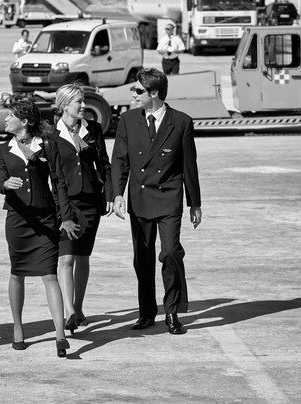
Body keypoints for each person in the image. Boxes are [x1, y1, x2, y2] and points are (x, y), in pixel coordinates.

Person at [111, 68, 202, 335]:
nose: (133, 95)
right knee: (143, 258)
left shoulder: (181, 122)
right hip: (139, 198)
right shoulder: (128, 120)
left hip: (168, 197)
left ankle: (172, 312)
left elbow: (189, 166)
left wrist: (194, 203)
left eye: (138, 91)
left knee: (171, 252)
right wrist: (117, 194)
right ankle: (147, 312)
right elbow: (120, 160)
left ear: (155, 94)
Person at [0, 100, 74, 357]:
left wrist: (66, 216)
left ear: (25, 121)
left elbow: (59, 182)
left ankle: (60, 335)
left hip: (45, 219)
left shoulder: (48, 145)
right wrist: (6, 183)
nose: (6, 119)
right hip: (18, 221)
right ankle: (18, 328)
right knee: (17, 273)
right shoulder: (2, 149)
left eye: (11, 116)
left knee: (49, 274)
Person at [49, 84, 113, 334]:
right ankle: (69, 312)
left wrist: (109, 194)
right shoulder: (51, 134)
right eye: (79, 101)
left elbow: (104, 165)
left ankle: (78, 305)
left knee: (83, 256)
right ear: (65, 105)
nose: (84, 105)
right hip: (64, 203)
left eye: (83, 100)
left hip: (89, 201)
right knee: (66, 257)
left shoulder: (94, 129)